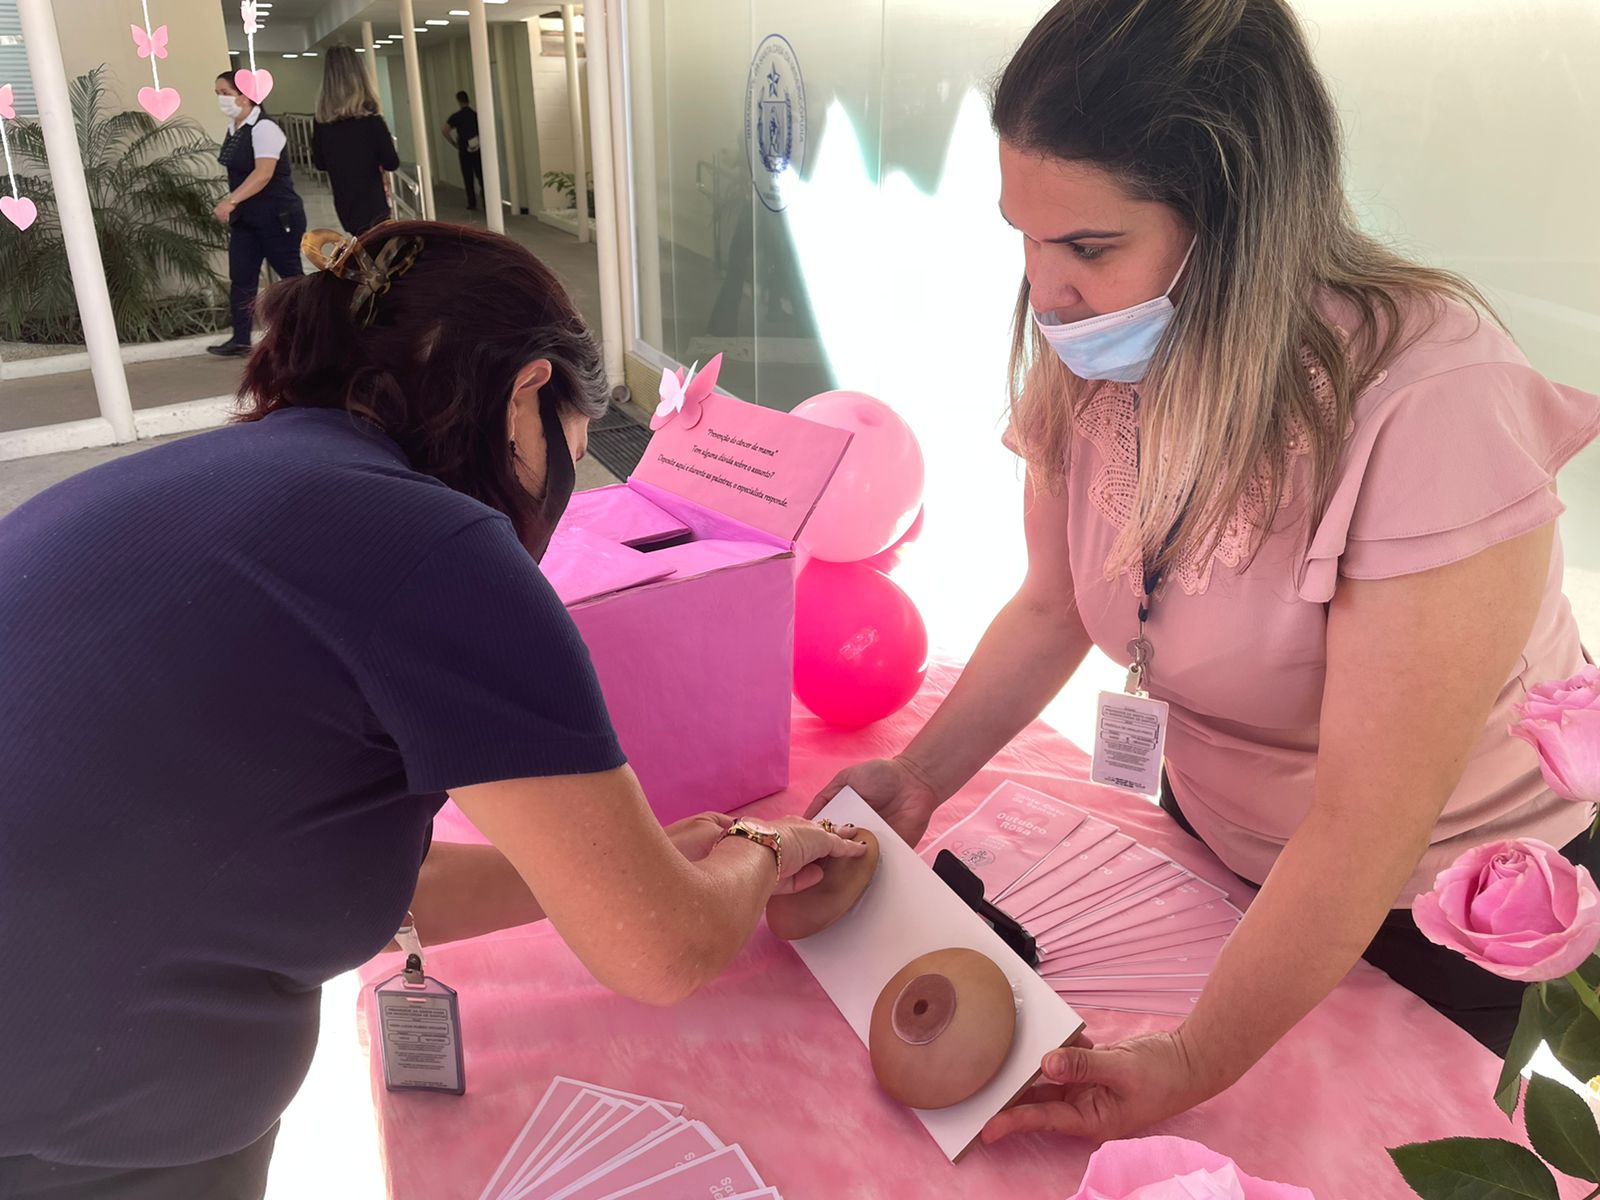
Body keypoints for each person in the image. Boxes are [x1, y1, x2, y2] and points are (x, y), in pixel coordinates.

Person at [816, 0, 1600, 1146]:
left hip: (1445, 912)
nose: (1045, 290)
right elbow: (1051, 603)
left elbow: (1365, 825)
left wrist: (1194, 1058)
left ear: (1238, 224)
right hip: (1217, 852)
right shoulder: (1101, 348)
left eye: (1088, 248)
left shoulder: (1433, 405)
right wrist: (920, 775)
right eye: (1024, 236)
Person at [0, 221, 862, 1197]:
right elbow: (663, 952)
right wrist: (761, 846)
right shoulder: (436, 544)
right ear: (528, 392)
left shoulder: (207, 478)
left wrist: (613, 866)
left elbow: (353, 875)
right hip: (82, 1119)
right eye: (575, 453)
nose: (559, 500)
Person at [207, 68, 306, 358]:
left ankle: (309, 334)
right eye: (218, 94)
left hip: (277, 215)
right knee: (242, 277)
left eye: (225, 93)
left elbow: (263, 174)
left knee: (290, 280)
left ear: (245, 95)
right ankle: (240, 339)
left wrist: (230, 201)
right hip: (247, 219)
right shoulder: (234, 129)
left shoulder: (265, 128)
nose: (221, 99)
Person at [311, 44, 401, 235]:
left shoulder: (321, 122)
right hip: (374, 205)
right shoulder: (372, 121)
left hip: (345, 205)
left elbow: (320, 163)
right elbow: (391, 162)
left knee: (360, 246)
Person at [444, 89, 485, 211]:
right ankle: (486, 201)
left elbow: (445, 131)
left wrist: (454, 144)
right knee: (481, 176)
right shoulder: (475, 115)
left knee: (468, 177)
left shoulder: (456, 117)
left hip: (463, 150)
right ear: (468, 100)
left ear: (459, 101)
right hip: (477, 149)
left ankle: (472, 203)